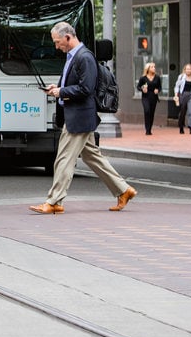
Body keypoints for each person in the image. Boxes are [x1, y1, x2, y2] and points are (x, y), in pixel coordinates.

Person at [30, 22, 137, 215]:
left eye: (57, 42)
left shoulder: (84, 57)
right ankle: (123, 190)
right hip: (79, 116)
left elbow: (87, 89)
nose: (56, 46)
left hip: (78, 117)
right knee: (92, 156)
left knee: (63, 159)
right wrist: (59, 87)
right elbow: (78, 84)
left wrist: (61, 91)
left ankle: (54, 201)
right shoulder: (76, 56)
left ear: (68, 37)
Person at [173, 63, 191, 134]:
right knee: (182, 112)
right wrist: (176, 94)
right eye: (187, 69)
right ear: (185, 70)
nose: (188, 70)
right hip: (182, 95)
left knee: (190, 111)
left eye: (190, 69)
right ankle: (181, 126)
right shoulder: (181, 77)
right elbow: (177, 86)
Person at [136, 62, 162, 135]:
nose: (154, 68)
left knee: (151, 113)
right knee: (147, 111)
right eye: (152, 67)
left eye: (154, 67)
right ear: (148, 69)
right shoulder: (143, 78)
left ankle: (149, 129)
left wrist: (157, 90)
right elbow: (138, 87)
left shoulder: (157, 77)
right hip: (145, 97)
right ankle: (147, 129)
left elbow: (160, 87)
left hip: (153, 97)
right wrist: (142, 89)